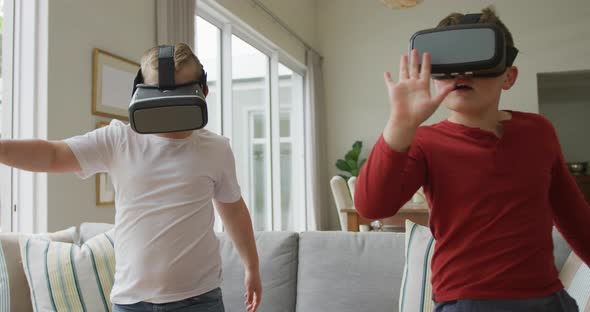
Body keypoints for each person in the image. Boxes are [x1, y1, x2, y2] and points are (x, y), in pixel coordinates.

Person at [355, 7, 588, 312]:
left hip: (548, 299)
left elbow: (575, 217)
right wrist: (401, 125)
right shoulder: (424, 142)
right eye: (449, 66)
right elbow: (372, 206)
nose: (462, 74)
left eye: (477, 62)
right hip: (467, 302)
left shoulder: (538, 131)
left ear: (508, 76)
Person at [0, 43, 262, 312]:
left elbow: (233, 211)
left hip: (198, 299)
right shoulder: (119, 140)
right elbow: (53, 154)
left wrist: (251, 266)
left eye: (180, 101)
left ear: (202, 93)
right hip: (132, 302)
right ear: (140, 95)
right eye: (160, 102)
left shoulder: (216, 149)